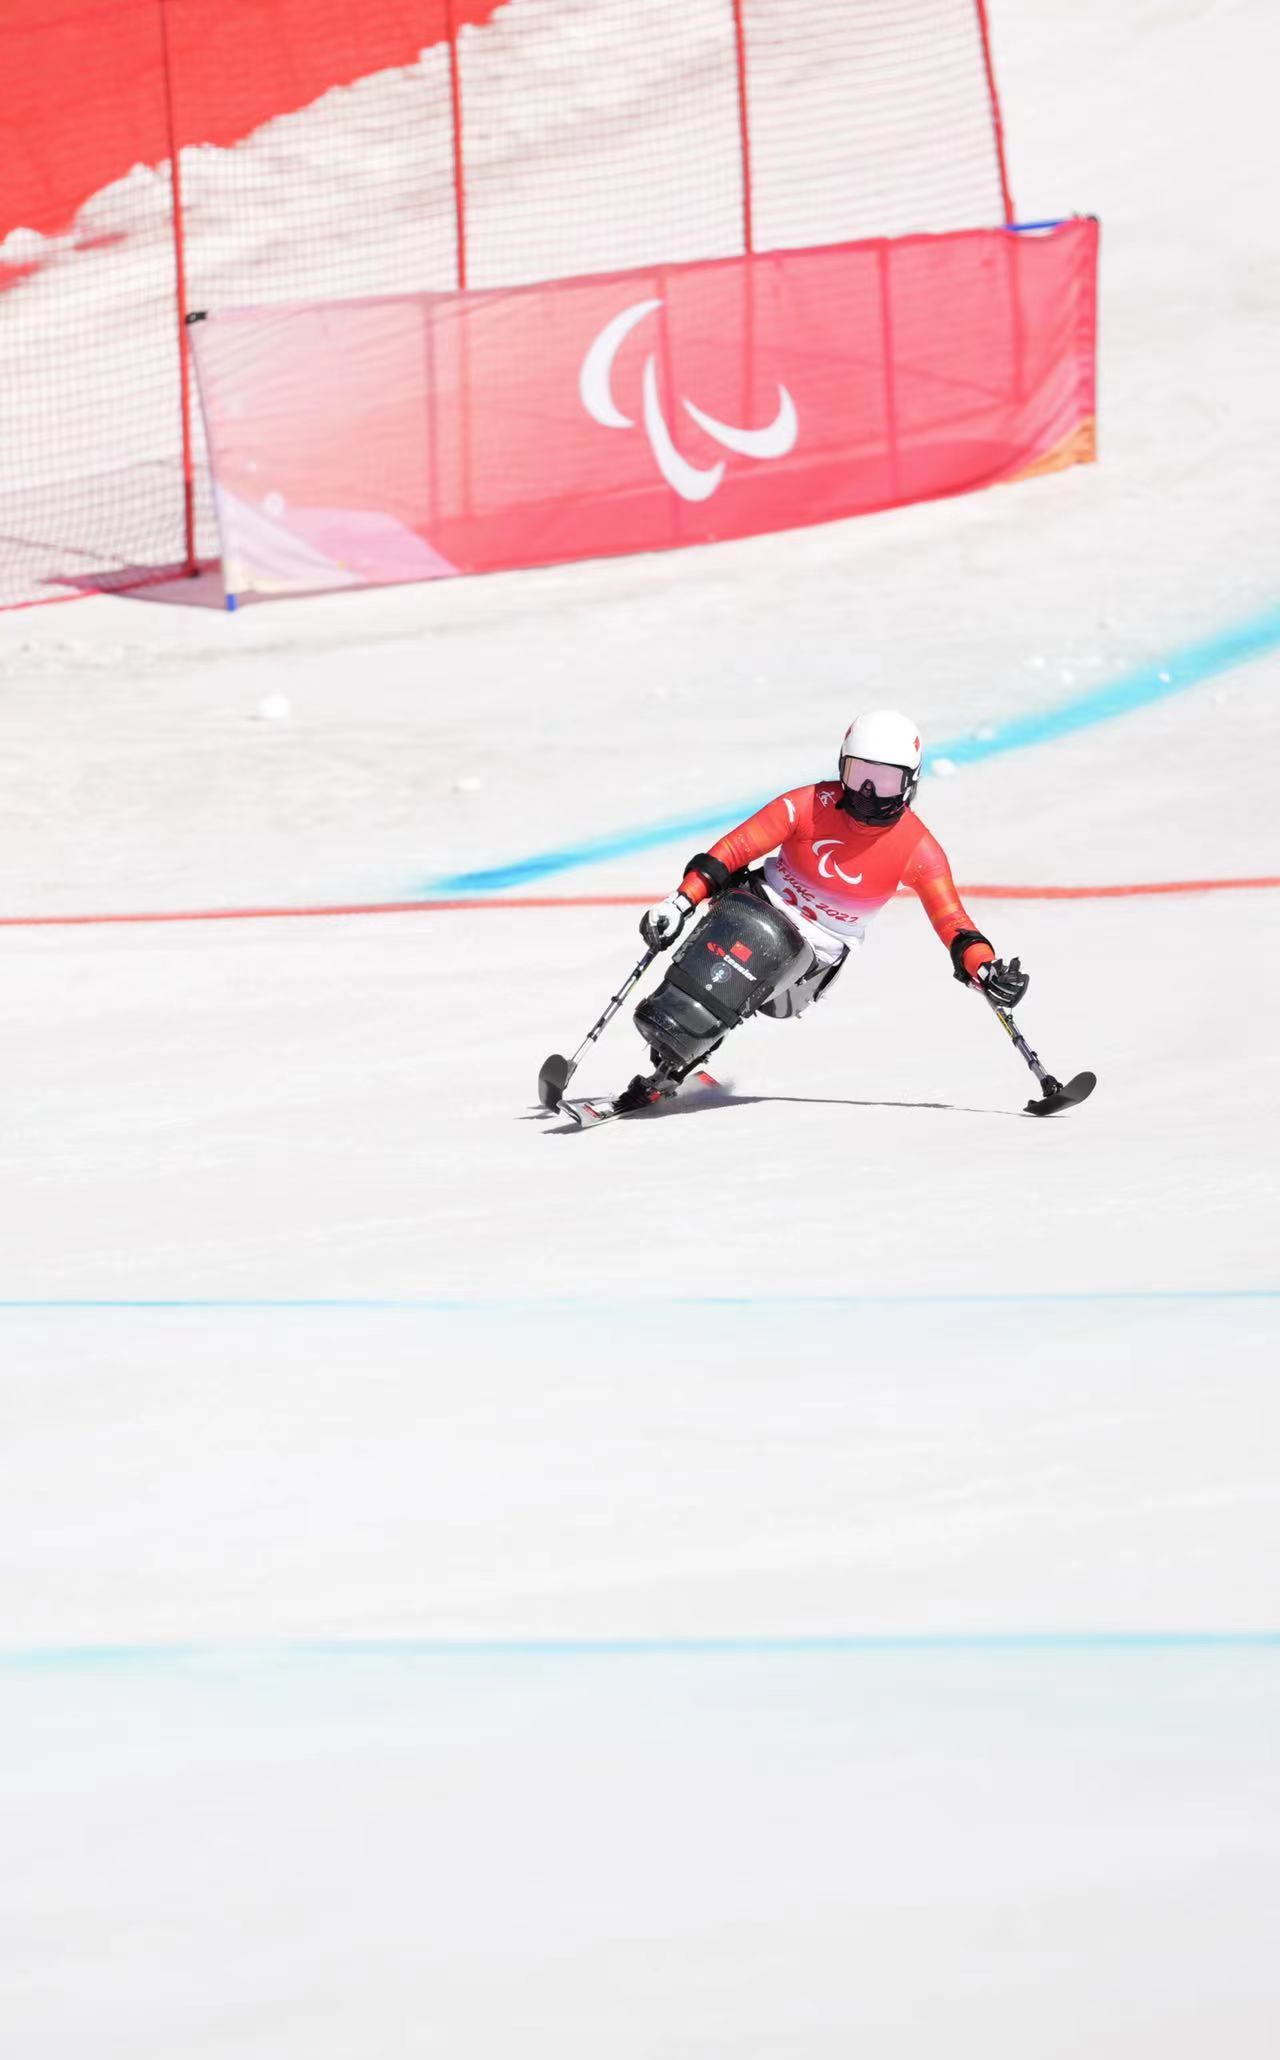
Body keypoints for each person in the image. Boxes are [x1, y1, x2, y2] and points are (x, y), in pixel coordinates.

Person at [619, 709, 1027, 1108]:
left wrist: (984, 966)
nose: (868, 792)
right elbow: (735, 848)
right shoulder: (808, 804)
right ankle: (674, 1054)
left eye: (884, 781)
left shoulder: (917, 849)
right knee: (728, 945)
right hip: (758, 904)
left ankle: (683, 1049)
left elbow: (953, 922)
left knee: (757, 948)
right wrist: (681, 901)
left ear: (910, 784)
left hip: (813, 956)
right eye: (858, 774)